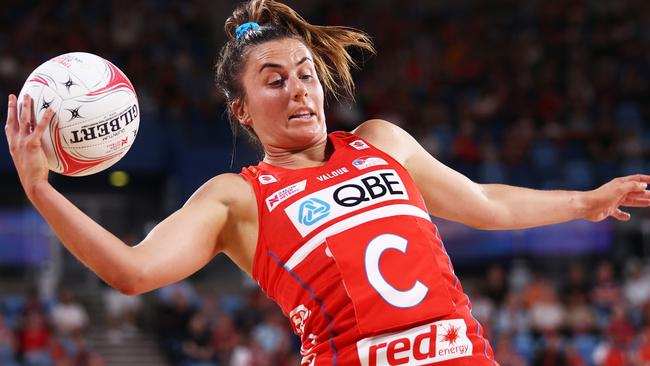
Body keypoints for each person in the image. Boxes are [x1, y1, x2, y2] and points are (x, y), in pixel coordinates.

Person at [4, 0, 650, 364]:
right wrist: (41, 189)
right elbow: (133, 272)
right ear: (241, 109)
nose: (299, 90)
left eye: (306, 73)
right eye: (275, 79)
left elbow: (483, 203)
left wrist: (584, 201)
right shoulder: (235, 198)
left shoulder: (381, 141)